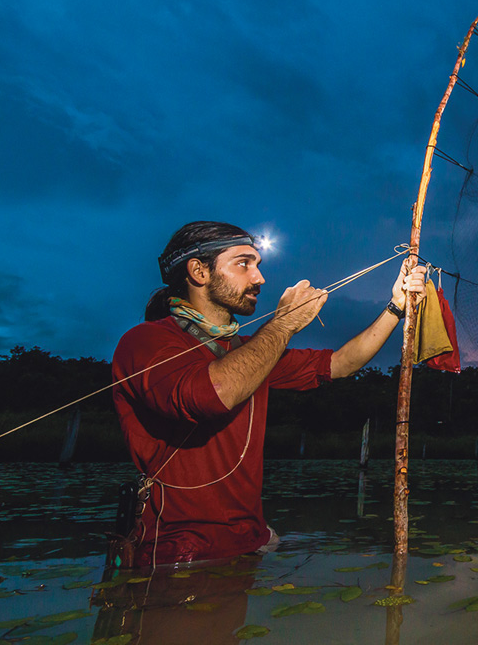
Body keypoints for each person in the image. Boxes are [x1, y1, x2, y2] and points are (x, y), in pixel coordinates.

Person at [111, 221, 424, 568]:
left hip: (248, 540)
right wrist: (284, 323)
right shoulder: (145, 342)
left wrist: (396, 306)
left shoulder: (252, 350)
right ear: (198, 271)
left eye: (258, 265)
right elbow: (211, 395)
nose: (259, 279)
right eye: (244, 263)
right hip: (177, 554)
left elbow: (341, 363)